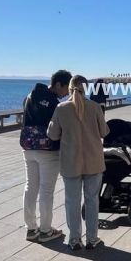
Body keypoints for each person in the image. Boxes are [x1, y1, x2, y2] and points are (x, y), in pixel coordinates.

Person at [47, 75, 110, 250]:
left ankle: (74, 240)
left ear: (69, 88)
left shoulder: (61, 108)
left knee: (72, 201)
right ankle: (92, 239)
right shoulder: (95, 107)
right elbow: (104, 132)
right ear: (86, 88)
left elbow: (52, 135)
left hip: (70, 162)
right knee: (92, 201)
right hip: (93, 161)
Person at [20, 70, 72, 243]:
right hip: (48, 151)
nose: (67, 93)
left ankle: (31, 229)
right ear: (58, 84)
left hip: (28, 147)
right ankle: (45, 231)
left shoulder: (29, 96)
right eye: (66, 89)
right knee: (46, 190)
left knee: (30, 187)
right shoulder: (55, 104)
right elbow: (59, 128)